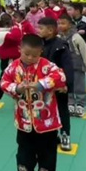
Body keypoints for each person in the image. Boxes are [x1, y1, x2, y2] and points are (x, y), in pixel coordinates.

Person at [1, 34, 67, 171]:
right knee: (24, 150)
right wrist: (16, 88)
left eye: (35, 55)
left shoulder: (47, 66)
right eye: (26, 54)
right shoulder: (12, 68)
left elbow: (61, 77)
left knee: (47, 153)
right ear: (19, 50)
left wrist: (40, 84)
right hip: (23, 121)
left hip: (47, 122)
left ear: (41, 52)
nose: (30, 58)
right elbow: (3, 83)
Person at [37, 17, 74, 152]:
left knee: (62, 110)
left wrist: (67, 85)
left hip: (58, 87)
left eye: (41, 28)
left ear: (51, 30)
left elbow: (68, 67)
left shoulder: (61, 46)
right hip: (44, 87)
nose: (38, 30)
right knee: (45, 110)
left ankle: (65, 135)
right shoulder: (39, 44)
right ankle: (50, 134)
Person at [57, 15, 86, 118]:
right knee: (68, 86)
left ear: (70, 25)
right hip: (64, 67)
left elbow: (85, 51)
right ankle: (70, 103)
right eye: (59, 23)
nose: (60, 26)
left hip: (77, 66)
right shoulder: (58, 37)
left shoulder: (76, 37)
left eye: (63, 23)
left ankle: (81, 104)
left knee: (79, 86)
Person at [0, 14, 22, 113]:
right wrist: (16, 26)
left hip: (12, 58)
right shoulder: (3, 34)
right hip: (10, 59)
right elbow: (16, 36)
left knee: (11, 77)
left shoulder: (2, 31)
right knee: (6, 78)